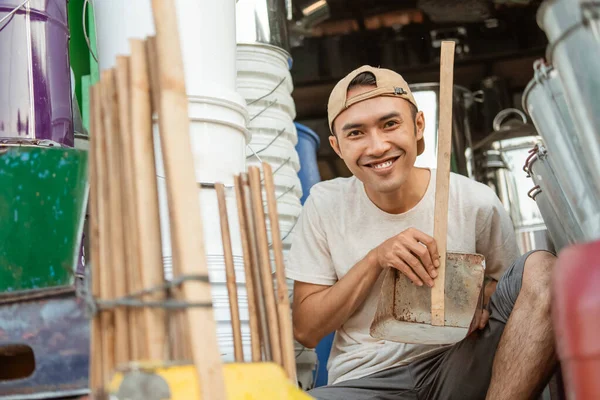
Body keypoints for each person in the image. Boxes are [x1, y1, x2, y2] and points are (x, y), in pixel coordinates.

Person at [286, 65, 557, 400]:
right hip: (366, 380)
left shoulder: (473, 201)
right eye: (356, 133)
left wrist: (478, 301)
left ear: (418, 126)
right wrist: (376, 260)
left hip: (460, 363)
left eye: (389, 124)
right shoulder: (325, 205)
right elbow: (307, 329)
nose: (377, 146)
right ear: (337, 146)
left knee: (545, 270)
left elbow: (514, 296)